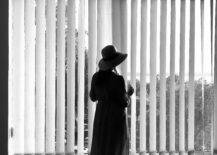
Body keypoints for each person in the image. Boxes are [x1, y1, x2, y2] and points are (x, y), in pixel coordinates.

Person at [89, 45, 134, 155]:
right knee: (115, 148)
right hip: (115, 119)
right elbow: (124, 103)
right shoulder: (118, 79)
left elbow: (93, 97)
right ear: (115, 62)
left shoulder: (96, 77)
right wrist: (128, 94)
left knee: (101, 147)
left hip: (101, 117)